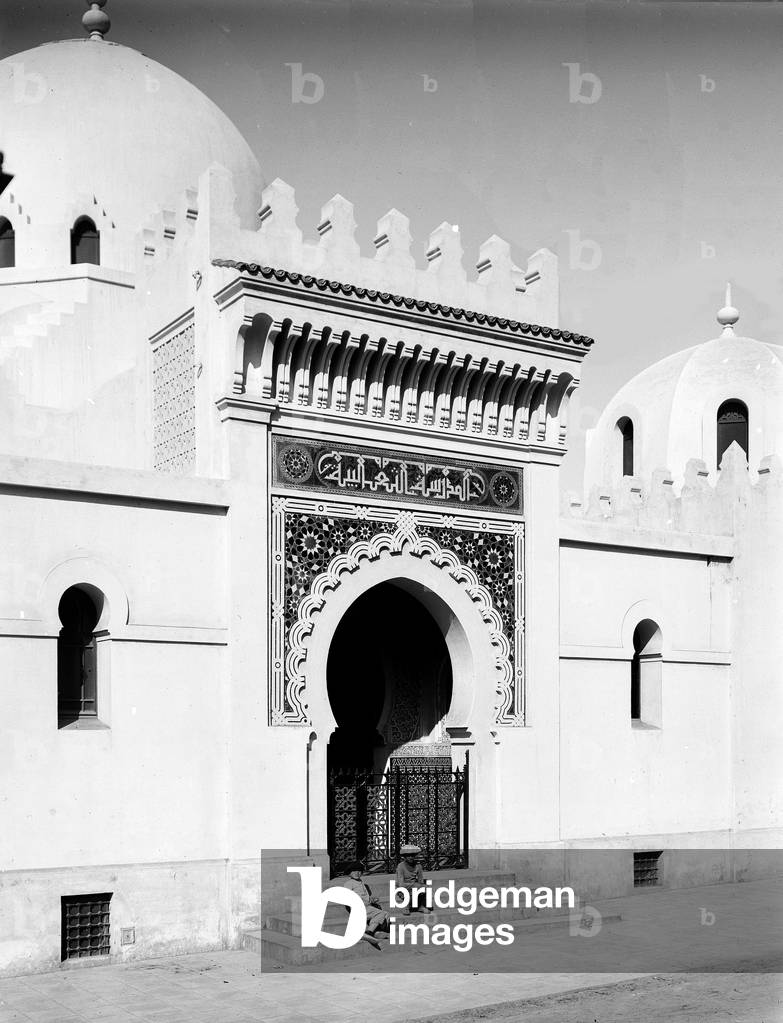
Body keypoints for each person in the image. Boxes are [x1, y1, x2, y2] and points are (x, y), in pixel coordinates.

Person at [343, 866, 389, 950]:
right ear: (349, 873)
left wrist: (371, 900)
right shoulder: (349, 883)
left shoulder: (361, 882)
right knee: (382, 913)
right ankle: (370, 932)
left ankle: (373, 932)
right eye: (354, 871)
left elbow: (365, 896)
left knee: (384, 914)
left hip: (367, 907)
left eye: (359, 871)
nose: (357, 873)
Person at [395, 844, 427, 915]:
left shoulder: (418, 866)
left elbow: (420, 880)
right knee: (414, 889)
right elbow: (401, 883)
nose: (410, 857)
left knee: (423, 888)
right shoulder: (400, 866)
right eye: (408, 856)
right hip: (403, 886)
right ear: (405, 857)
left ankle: (420, 906)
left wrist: (420, 886)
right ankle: (407, 907)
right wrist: (414, 886)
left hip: (414, 886)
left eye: (412, 855)